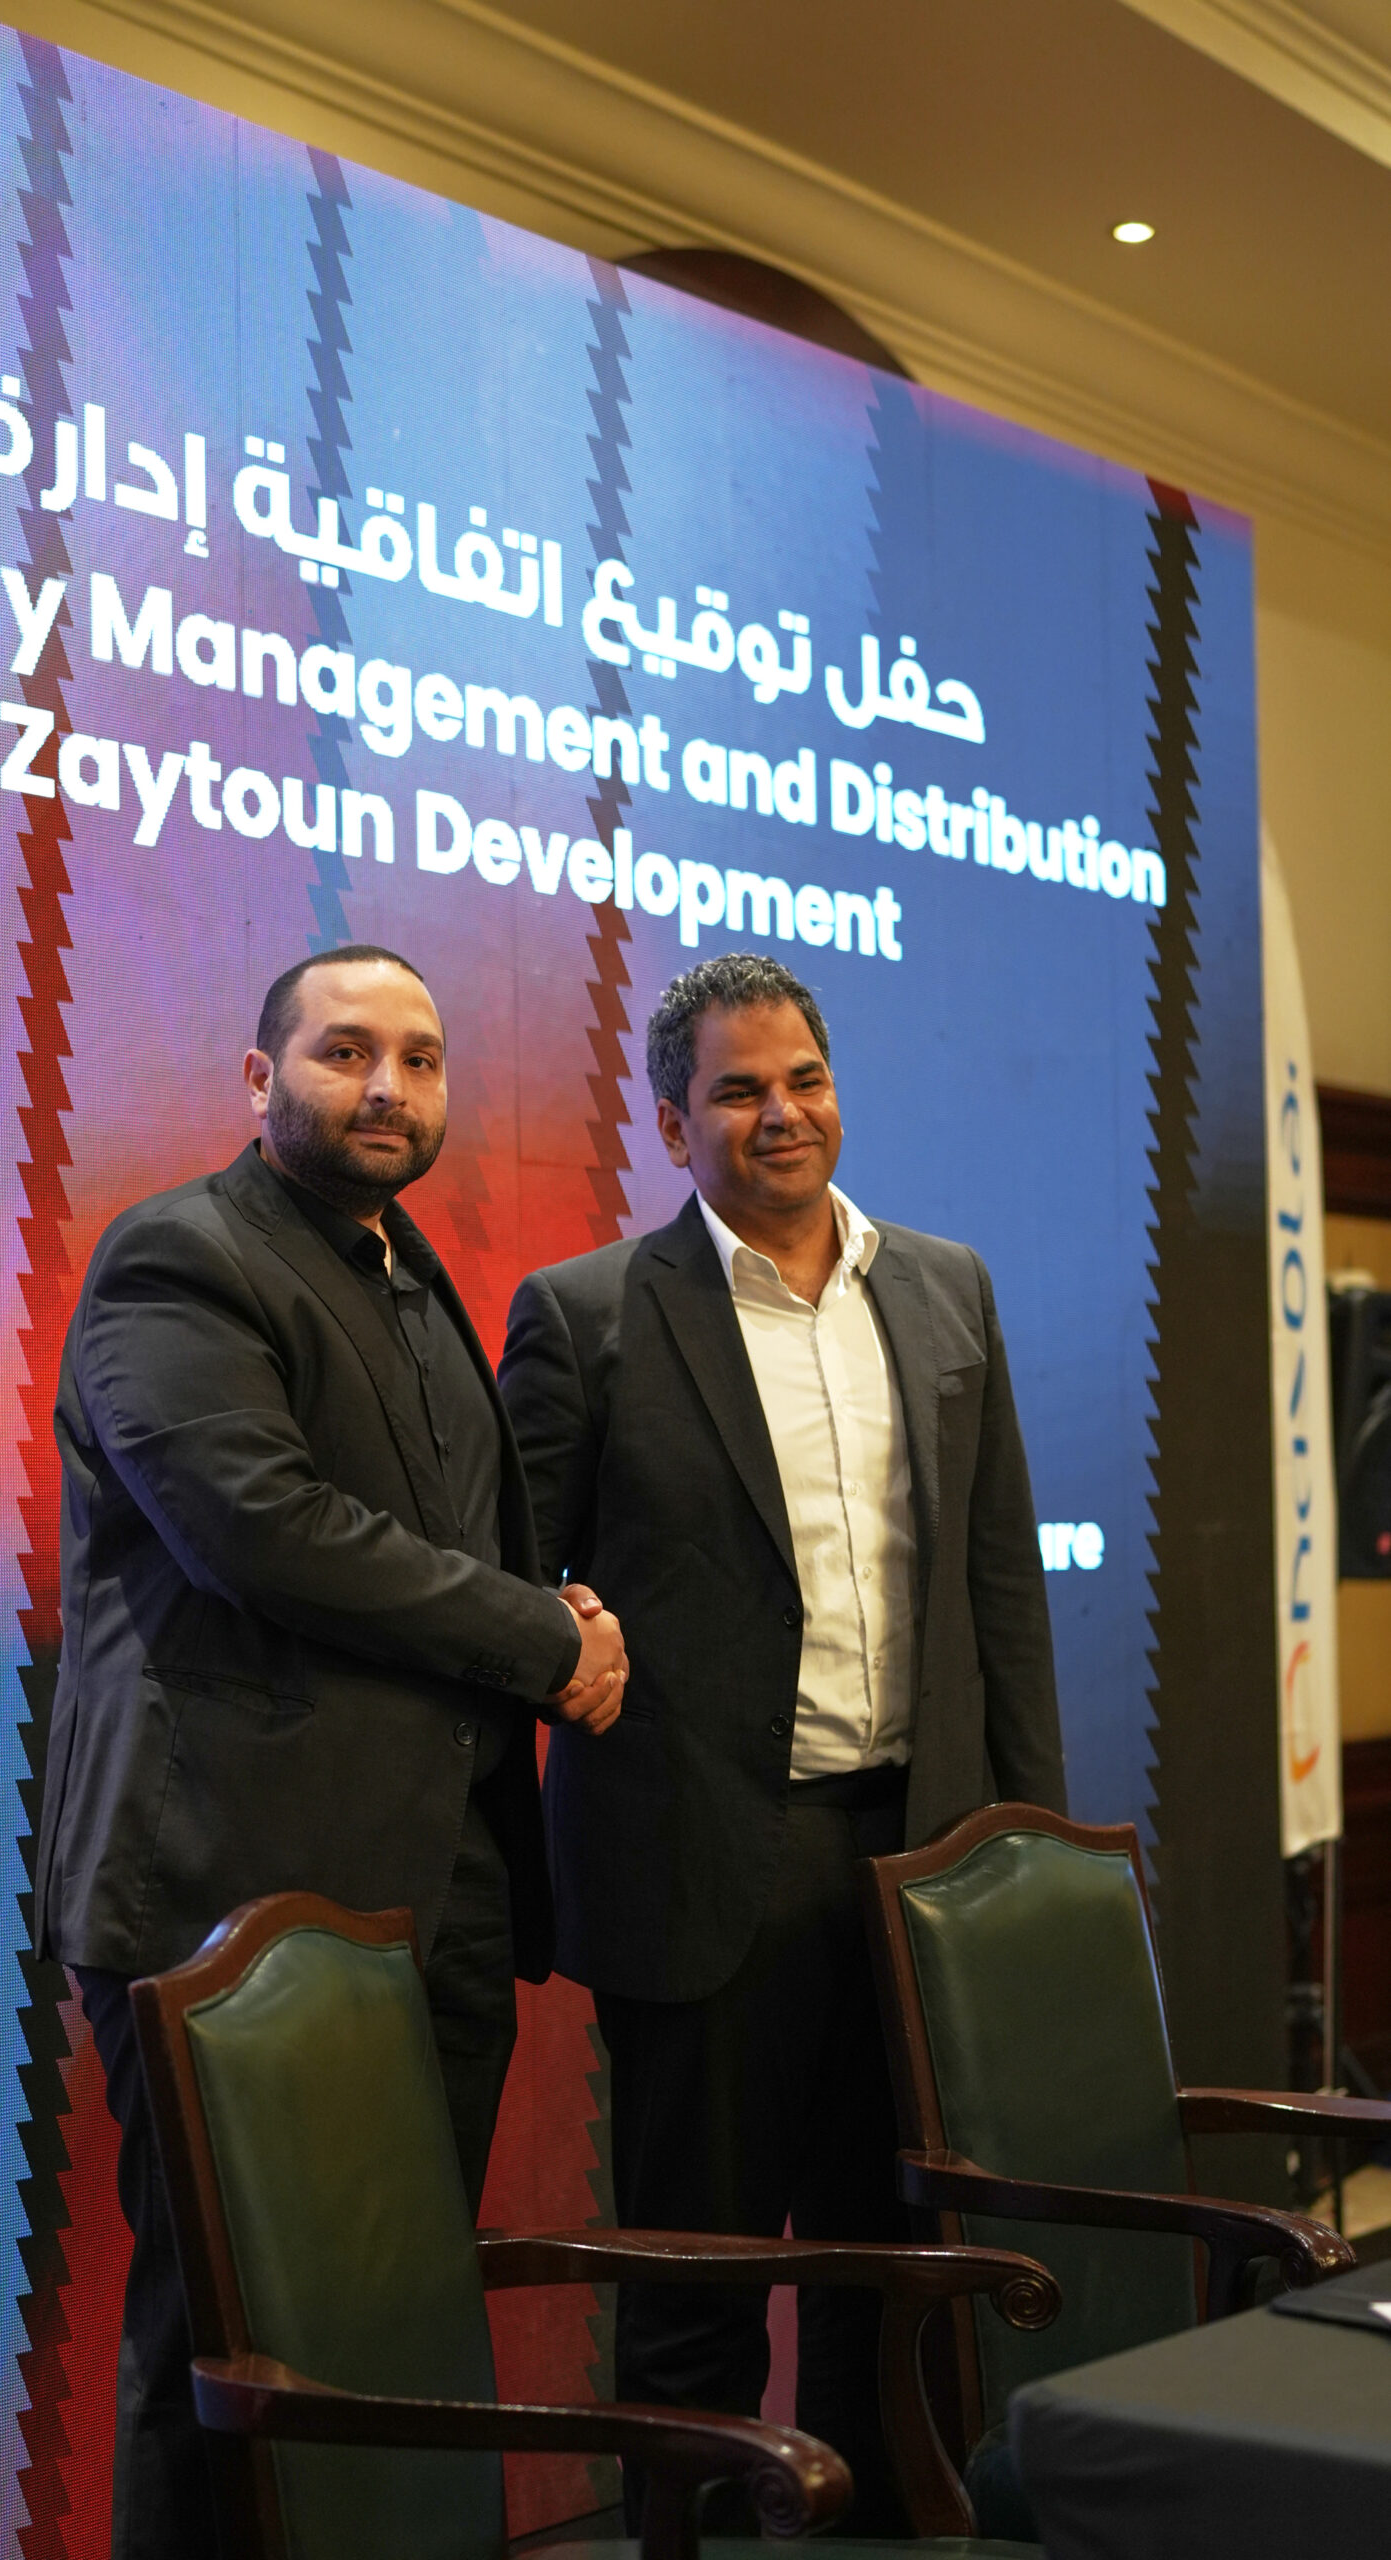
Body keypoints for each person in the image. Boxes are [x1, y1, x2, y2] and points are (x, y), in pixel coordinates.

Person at [34, 943, 628, 2560]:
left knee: (386, 2348)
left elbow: (444, 1547)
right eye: (345, 1052)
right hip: (231, 1902)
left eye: (420, 1059)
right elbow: (264, 1532)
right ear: (259, 1077)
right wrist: (539, 1637)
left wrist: (552, 1605)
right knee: (226, 2359)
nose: (388, 1087)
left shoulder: (407, 1270)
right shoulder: (180, 1256)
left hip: (437, 1896)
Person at [498, 950, 1066, 2531]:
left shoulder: (945, 1288)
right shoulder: (589, 1317)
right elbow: (507, 1588)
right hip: (702, 1871)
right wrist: (560, 1622)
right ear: (672, 1121)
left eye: (804, 1079)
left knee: (894, 2274)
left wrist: (1026, 1855)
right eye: (738, 1091)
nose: (781, 1114)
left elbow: (1000, 1589)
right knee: (700, 2288)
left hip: (917, 1859)